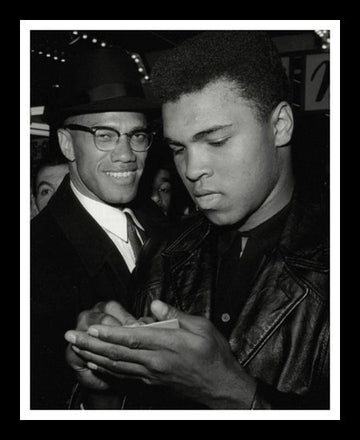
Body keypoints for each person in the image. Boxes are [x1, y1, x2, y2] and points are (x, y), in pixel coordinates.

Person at [65, 31, 329, 410]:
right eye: (177, 148)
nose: (192, 169)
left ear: (281, 125)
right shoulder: (163, 256)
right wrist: (102, 385)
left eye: (216, 141)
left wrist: (235, 393)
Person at [30, 47, 166, 409]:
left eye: (137, 135)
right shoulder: (36, 259)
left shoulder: (166, 226)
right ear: (66, 144)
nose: (126, 154)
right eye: (104, 135)